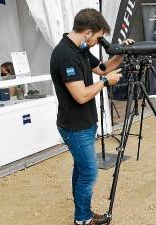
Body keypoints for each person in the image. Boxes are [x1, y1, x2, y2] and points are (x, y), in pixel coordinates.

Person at [50, 8, 133, 225]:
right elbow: (80, 95)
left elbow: (104, 69)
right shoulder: (65, 55)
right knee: (89, 173)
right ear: (87, 32)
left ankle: (83, 213)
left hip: (86, 123)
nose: (98, 42)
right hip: (75, 126)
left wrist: (122, 52)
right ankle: (83, 219)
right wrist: (106, 83)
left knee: (81, 170)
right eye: (97, 37)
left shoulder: (81, 49)